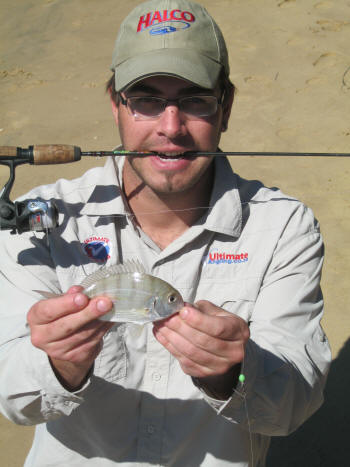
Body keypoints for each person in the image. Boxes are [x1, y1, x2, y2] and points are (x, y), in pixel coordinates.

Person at [0, 0, 331, 466]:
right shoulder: (44, 220)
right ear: (115, 104)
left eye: (195, 100)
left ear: (227, 105)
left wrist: (233, 374)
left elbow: (292, 406)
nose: (171, 127)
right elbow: (13, 397)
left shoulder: (283, 227)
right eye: (147, 100)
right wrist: (60, 365)